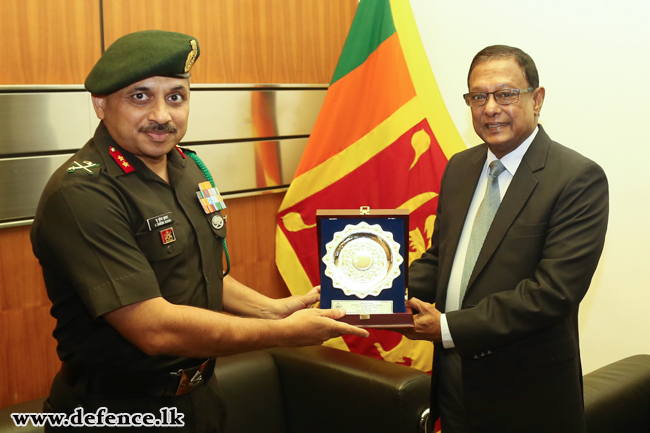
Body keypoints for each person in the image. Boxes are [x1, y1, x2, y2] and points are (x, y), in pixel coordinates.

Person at [30, 30, 368, 432]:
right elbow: (152, 327)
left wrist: (273, 308)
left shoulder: (185, 167)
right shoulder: (82, 193)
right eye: (140, 96)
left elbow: (196, 272)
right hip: (116, 410)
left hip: (200, 399)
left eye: (176, 97)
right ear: (100, 104)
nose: (162, 115)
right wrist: (281, 333)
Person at [403, 45, 608, 432]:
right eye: (478, 96)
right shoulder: (460, 167)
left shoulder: (577, 178)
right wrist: (375, 293)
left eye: (505, 94)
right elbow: (440, 259)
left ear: (537, 99)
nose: (490, 107)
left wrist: (447, 328)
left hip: (528, 397)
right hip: (454, 384)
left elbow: (552, 293)